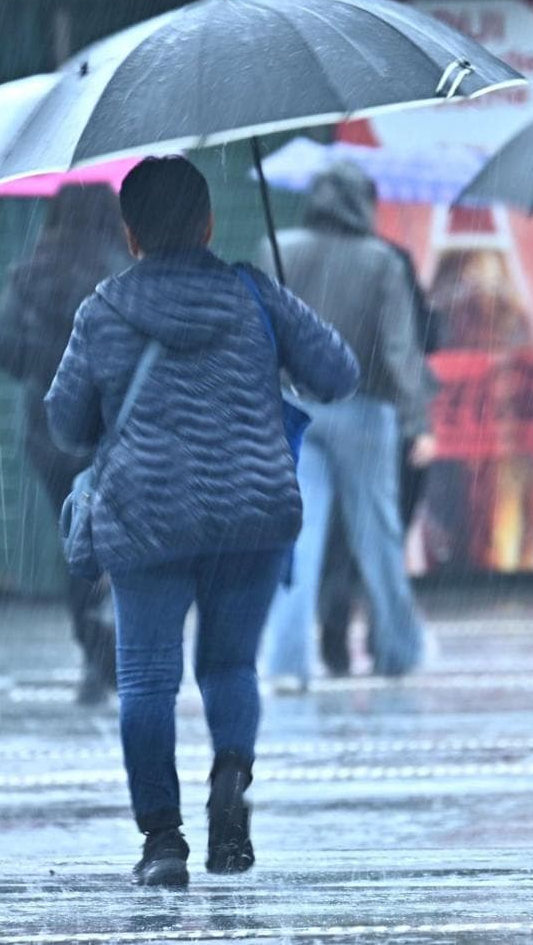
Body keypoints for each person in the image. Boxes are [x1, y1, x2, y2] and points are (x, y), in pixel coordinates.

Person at [45, 157, 356, 887]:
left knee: (148, 677)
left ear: (130, 235)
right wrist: (281, 330)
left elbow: (64, 423)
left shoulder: (103, 310)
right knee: (228, 666)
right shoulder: (253, 290)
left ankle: (162, 843)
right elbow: (338, 373)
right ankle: (230, 781)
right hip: (250, 514)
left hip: (145, 516)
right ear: (209, 224)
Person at [260, 162, 434, 691]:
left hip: (295, 408)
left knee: (300, 535)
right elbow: (400, 347)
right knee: (377, 535)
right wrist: (416, 421)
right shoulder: (380, 261)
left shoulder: (278, 250)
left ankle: (288, 663)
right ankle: (398, 651)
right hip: (364, 407)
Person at [0, 184, 131, 705]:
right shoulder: (120, 272)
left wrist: (44, 361)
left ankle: (95, 651)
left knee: (76, 540)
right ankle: (116, 650)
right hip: (109, 430)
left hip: (47, 429)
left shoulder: (30, 272)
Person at [318, 235, 440, 677]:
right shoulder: (392, 259)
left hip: (325, 406)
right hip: (387, 412)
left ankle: (334, 620)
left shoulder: (310, 254)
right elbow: (414, 344)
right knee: (385, 531)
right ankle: (383, 635)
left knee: (335, 535)